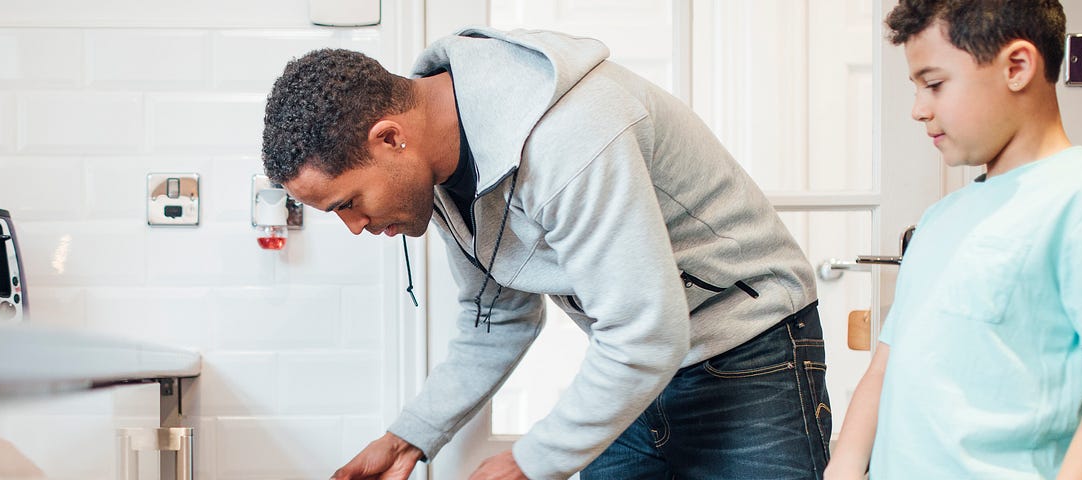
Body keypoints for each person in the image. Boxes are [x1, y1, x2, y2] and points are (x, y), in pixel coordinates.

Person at [261, 28, 827, 479]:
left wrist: (529, 461)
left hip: (753, 350)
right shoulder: (437, 170)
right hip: (635, 369)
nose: (356, 227)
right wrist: (409, 436)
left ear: (389, 138)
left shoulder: (568, 133)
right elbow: (498, 316)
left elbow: (646, 330)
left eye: (348, 203)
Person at [825, 1, 1082, 478]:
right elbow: (884, 368)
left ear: (1016, 67)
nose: (918, 110)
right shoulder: (940, 218)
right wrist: (845, 467)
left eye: (934, 84)